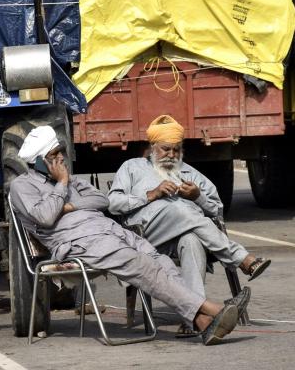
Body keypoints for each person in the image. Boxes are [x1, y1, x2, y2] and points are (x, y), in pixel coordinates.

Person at [9, 125, 248, 346]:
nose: (61, 158)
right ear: (39, 161)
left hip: (110, 231)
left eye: (61, 152)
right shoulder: (23, 186)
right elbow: (45, 217)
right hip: (80, 241)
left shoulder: (72, 181)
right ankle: (213, 309)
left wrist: (68, 204)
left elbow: (101, 200)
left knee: (159, 260)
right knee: (142, 265)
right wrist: (62, 186)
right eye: (54, 155)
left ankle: (202, 323)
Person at [108, 114, 270, 336]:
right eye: (166, 149)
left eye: (176, 150)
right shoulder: (132, 167)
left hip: (180, 236)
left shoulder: (190, 173)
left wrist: (198, 197)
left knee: (192, 239)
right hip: (146, 235)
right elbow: (113, 203)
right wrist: (151, 195)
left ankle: (194, 319)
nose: (171, 155)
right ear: (153, 146)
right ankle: (241, 258)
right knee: (179, 209)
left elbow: (217, 210)